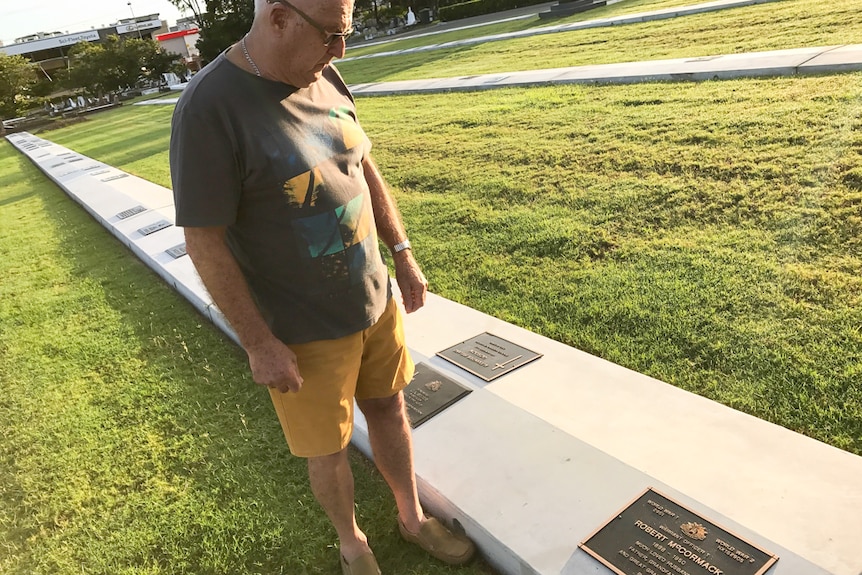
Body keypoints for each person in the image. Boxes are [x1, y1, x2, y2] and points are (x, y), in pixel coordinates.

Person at [168, 1, 476, 574]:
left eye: (345, 34)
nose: (342, 51)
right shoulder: (209, 108)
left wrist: (401, 254)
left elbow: (362, 165)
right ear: (280, 17)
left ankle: (411, 518)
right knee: (327, 445)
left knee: (389, 407)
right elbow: (204, 239)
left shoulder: (325, 73)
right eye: (332, 35)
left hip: (371, 296)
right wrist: (260, 343)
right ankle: (353, 545)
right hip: (300, 326)